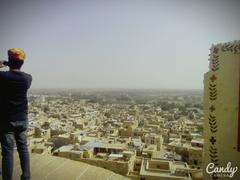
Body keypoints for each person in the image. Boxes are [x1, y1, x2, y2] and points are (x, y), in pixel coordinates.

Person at [0, 48, 32, 180]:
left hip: (7, 120)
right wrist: (10, 63)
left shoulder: (3, 77)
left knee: (8, 151)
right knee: (23, 148)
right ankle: (26, 176)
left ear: (10, 60)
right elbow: (15, 66)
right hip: (22, 118)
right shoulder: (28, 78)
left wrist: (4, 63)